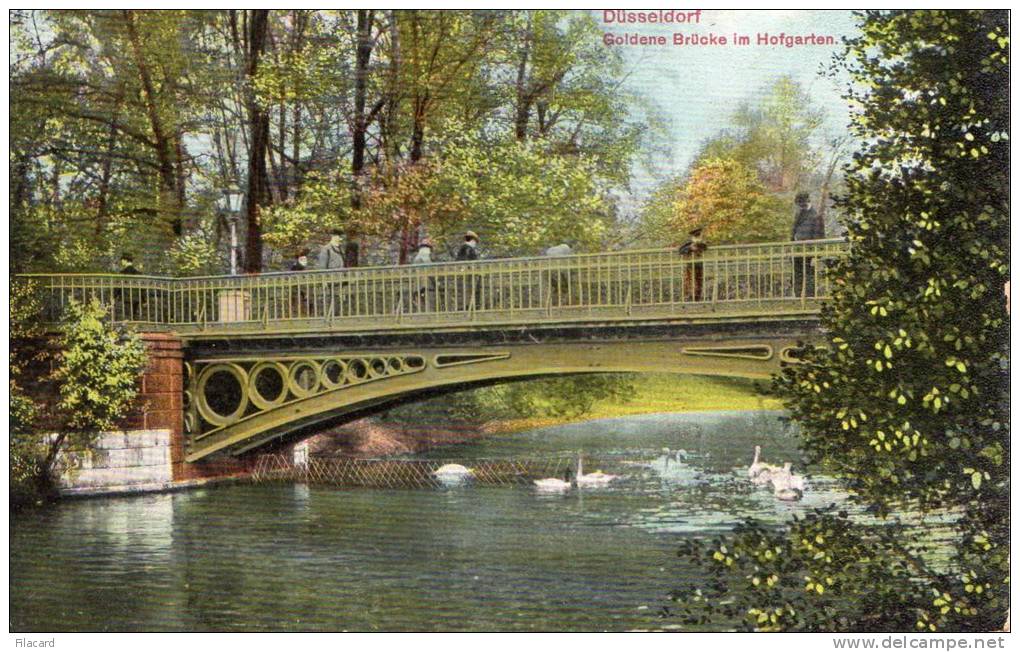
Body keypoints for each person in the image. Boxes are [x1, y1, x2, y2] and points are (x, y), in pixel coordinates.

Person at [791, 192, 824, 297]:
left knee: (809, 274)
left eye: (802, 203)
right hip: (797, 250)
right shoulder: (799, 214)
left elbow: (819, 236)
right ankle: (797, 297)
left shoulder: (816, 216)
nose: (800, 206)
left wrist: (816, 255)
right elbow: (793, 232)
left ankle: (810, 297)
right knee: (797, 273)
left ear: (807, 201)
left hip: (810, 251)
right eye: (799, 204)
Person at [677, 227, 707, 302]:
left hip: (699, 264)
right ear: (693, 236)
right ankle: (688, 297)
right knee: (689, 281)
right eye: (696, 235)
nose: (698, 237)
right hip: (690, 265)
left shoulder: (702, 243)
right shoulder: (689, 244)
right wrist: (690, 248)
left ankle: (697, 298)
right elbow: (680, 250)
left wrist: (699, 246)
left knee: (699, 281)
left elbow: (705, 247)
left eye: (699, 235)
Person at [455, 231, 481, 310]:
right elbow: (467, 261)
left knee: (466, 291)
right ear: (472, 240)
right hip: (467, 273)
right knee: (468, 290)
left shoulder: (463, 248)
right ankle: (468, 307)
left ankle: (468, 306)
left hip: (465, 273)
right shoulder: (467, 248)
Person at [410, 238, 436, 312]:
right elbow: (430, 270)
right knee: (429, 304)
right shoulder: (427, 256)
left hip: (417, 284)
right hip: (427, 284)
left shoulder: (416, 258)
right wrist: (435, 281)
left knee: (419, 304)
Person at [289, 249, 311, 318]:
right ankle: (296, 313)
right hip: (297, 282)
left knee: (303, 297)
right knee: (297, 297)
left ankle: (304, 313)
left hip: (300, 282)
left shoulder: (302, 259)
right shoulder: (298, 261)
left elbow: (301, 266)